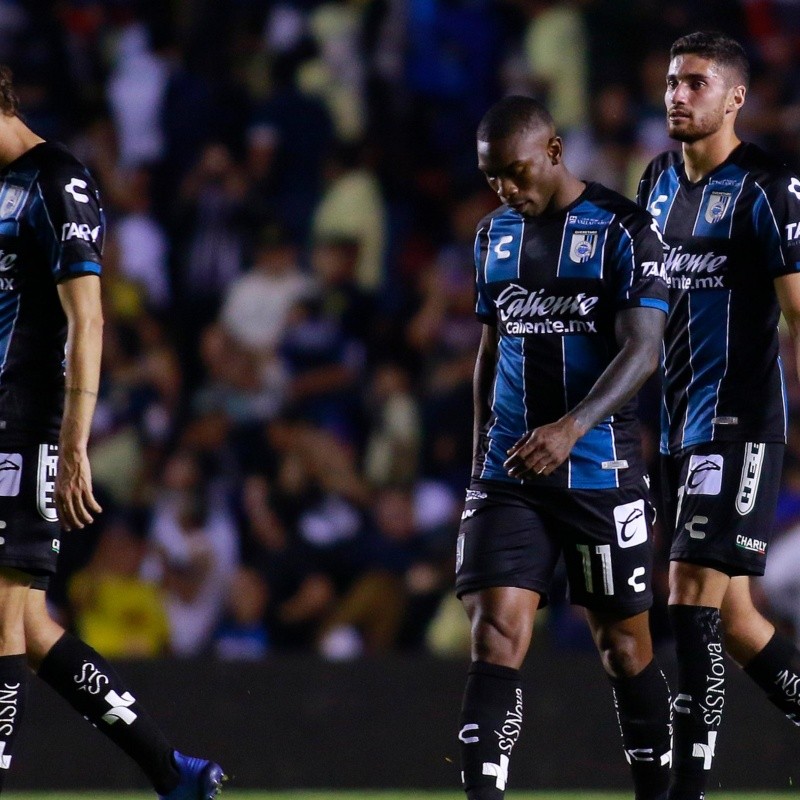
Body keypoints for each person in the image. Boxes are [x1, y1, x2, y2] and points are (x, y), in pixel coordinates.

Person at [0, 66, 224, 798]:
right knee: (30, 628)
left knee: (3, 618)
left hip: (23, 429)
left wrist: (72, 440)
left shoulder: (55, 178)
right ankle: (173, 772)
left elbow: (87, 318)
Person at [456, 95, 672, 800]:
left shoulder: (624, 230)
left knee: (624, 648)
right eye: (492, 181)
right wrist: (481, 456)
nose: (506, 192)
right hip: (509, 474)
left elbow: (644, 351)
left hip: (599, 471)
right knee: (495, 636)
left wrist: (572, 427)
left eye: (514, 174)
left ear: (552, 150)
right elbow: (491, 349)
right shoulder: (492, 238)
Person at [637, 31, 800, 800]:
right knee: (735, 619)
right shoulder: (655, 182)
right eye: (672, 82)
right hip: (674, 425)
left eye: (695, 83)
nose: (677, 95)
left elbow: (799, 316)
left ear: (735, 98)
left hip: (737, 424)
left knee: (689, 590)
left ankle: (686, 794)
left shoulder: (769, 186)